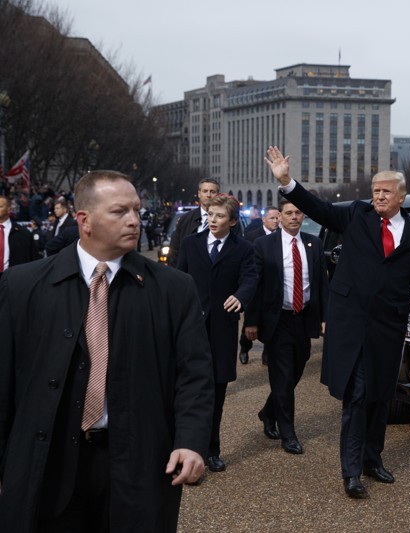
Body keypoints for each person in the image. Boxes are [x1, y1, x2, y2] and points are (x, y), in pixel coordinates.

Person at [0, 170, 214, 532]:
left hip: (137, 462)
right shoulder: (23, 286)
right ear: (84, 220)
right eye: (119, 212)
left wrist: (191, 442)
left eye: (136, 209)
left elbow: (194, 373)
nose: (134, 220)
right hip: (49, 462)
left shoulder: (174, 289)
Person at [264, 146, 410, 499]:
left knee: (380, 397)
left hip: (389, 328)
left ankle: (373, 459)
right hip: (352, 324)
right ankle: (351, 472)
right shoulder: (357, 215)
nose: (379, 196)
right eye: (375, 191)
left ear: (401, 196)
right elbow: (320, 209)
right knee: (357, 395)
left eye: (386, 191)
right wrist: (287, 182)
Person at [177, 194, 257, 472]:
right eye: (210, 215)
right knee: (189, 391)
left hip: (222, 330)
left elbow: (250, 277)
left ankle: (211, 450)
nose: (213, 220)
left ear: (232, 221)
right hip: (191, 329)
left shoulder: (244, 249)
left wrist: (241, 296)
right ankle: (186, 449)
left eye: (220, 216)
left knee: (216, 393)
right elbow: (179, 279)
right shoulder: (190, 244)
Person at [244, 199, 327, 455]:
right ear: (279, 216)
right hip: (277, 318)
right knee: (282, 375)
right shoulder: (263, 246)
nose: (293, 216)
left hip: (304, 318)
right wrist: (251, 321)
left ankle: (268, 411)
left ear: (303, 217)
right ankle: (288, 433)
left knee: (297, 370)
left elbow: (322, 284)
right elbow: (254, 285)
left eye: (298, 212)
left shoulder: (313, 243)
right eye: (288, 212)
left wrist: (326, 317)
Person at [241, 205, 281, 364]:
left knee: (271, 321)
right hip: (256, 283)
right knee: (250, 321)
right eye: (272, 218)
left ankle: (267, 351)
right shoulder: (251, 237)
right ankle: (244, 347)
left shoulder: (281, 236)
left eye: (277, 217)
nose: (276, 221)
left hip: (273, 283)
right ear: (264, 219)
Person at [166, 178, 220, 267]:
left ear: (218, 195)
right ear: (199, 194)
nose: (208, 195)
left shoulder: (228, 220)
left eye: (212, 192)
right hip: (189, 277)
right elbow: (174, 252)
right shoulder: (184, 220)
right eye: (205, 191)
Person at [0, 194, 38, 275]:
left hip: (12, 280)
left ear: (9, 209)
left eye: (0, 206)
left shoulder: (23, 234)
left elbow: (32, 260)